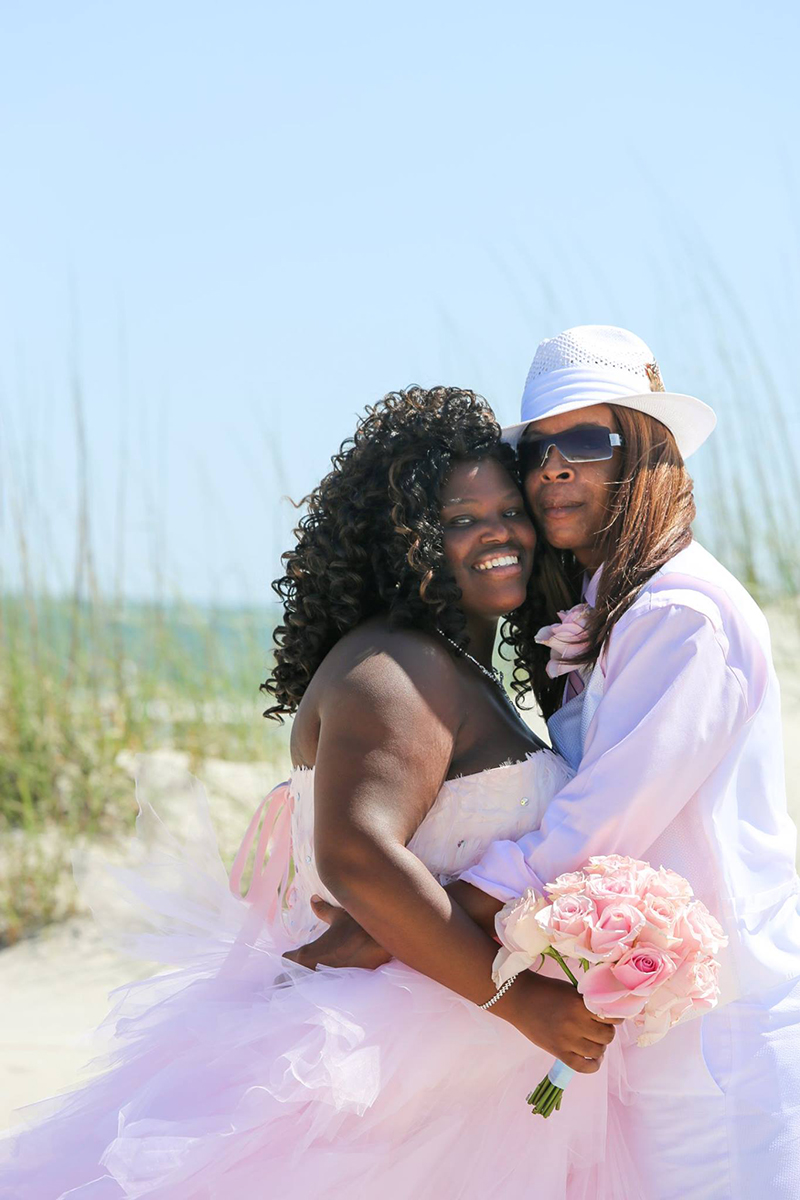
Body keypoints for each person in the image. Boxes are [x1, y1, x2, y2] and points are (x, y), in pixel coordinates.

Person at [0, 386, 639, 1199]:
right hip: (376, 1066)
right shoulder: (398, 670)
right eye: (457, 519)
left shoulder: (449, 668)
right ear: (404, 541)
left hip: (448, 1063)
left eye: (508, 509)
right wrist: (518, 1001)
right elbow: (357, 858)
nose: (498, 533)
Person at [301, 327, 800, 1200]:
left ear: (648, 456)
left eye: (586, 442)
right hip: (639, 1022)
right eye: (538, 449)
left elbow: (598, 818)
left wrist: (421, 920)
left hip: (724, 1031)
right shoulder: (607, 610)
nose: (554, 469)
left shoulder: (683, 615)